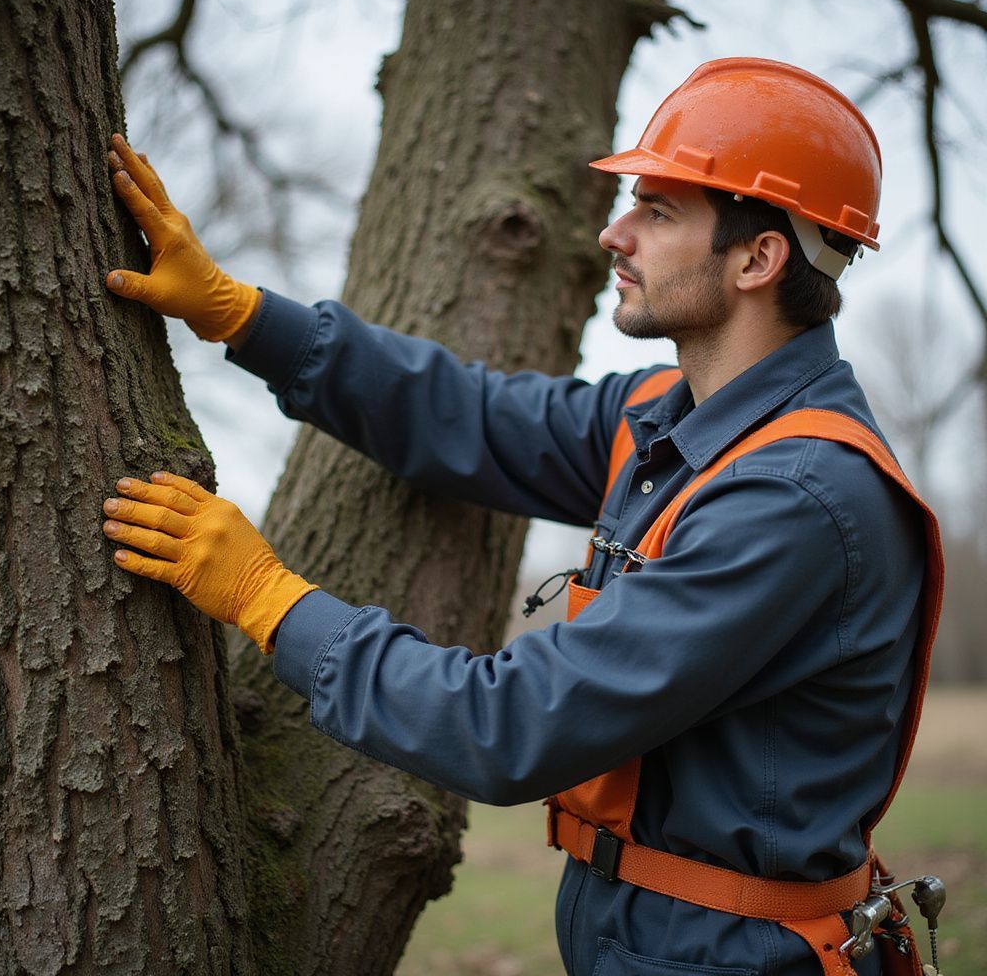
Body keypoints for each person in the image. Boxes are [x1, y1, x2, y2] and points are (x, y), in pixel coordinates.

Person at [100, 58, 942, 976]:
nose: (613, 234)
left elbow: (513, 726)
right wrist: (243, 316)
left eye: (657, 212)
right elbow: (472, 415)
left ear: (757, 258)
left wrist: (270, 600)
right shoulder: (677, 418)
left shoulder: (796, 498)